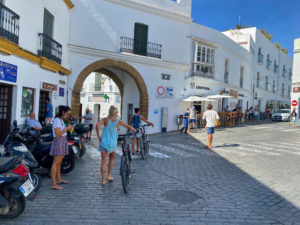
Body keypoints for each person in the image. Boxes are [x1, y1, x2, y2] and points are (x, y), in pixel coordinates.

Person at [96, 106, 136, 186]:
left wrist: (98, 136)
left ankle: (103, 180)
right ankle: (109, 175)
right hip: (112, 143)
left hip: (103, 142)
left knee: (103, 161)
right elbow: (128, 126)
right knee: (111, 158)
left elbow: (97, 125)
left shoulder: (105, 120)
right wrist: (134, 130)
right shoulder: (118, 122)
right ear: (115, 113)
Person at [49, 106, 73, 190]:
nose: (67, 116)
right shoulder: (57, 120)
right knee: (56, 163)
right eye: (67, 114)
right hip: (59, 141)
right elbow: (57, 134)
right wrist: (67, 128)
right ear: (63, 112)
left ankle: (59, 179)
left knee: (59, 162)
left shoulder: (61, 120)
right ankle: (53, 184)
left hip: (62, 140)